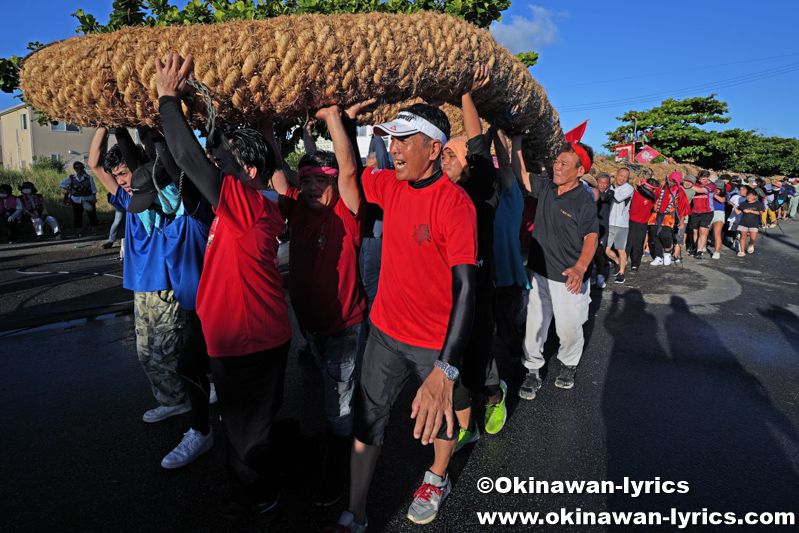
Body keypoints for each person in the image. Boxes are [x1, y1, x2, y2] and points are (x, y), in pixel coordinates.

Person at [329, 101, 477, 532]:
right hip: (384, 332)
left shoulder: (455, 204)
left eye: (403, 141)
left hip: (435, 342)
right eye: (391, 140)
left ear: (434, 149)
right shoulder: (392, 186)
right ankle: (354, 511)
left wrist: (446, 370)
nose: (393, 149)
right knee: (366, 415)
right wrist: (338, 120)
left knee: (440, 418)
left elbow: (467, 288)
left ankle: (436, 477)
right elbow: (352, 176)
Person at [156, 52, 291, 522]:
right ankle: (253, 478)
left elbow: (191, 158)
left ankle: (256, 500)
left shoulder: (248, 205)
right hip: (239, 338)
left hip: (249, 343)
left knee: (246, 433)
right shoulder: (244, 202)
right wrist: (196, 111)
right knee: (239, 419)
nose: (216, 163)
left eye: (225, 161)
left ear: (247, 172)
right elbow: (200, 156)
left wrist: (168, 100)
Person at [264, 103, 368, 507]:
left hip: (344, 326)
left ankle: (340, 471)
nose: (310, 188)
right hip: (312, 325)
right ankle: (339, 435)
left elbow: (347, 169)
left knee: (337, 405)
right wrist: (266, 124)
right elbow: (276, 170)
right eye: (304, 180)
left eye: (318, 182)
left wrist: (331, 118)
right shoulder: (296, 207)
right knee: (333, 392)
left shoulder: (345, 208)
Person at [120, 124, 217, 470]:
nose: (150, 207)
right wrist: (124, 124)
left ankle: (207, 429)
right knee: (193, 365)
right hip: (191, 305)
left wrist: (159, 129)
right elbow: (138, 165)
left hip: (213, 307)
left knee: (194, 365)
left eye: (154, 198)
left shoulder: (191, 210)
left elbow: (175, 171)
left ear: (168, 192)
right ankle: (205, 420)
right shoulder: (161, 212)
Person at [440, 66, 506, 452]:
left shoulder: (482, 189)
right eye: (444, 152)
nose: (446, 159)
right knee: (452, 362)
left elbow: (478, 145)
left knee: (480, 362)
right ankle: (468, 427)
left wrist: (466, 94)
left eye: (453, 154)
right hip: (445, 290)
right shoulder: (438, 191)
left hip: (480, 289)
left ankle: (496, 396)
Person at [511, 136, 599, 398]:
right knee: (534, 324)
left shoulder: (583, 200)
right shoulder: (547, 187)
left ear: (580, 170)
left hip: (568, 279)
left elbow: (591, 237)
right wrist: (516, 142)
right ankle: (533, 370)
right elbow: (521, 174)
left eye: (564, 163)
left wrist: (581, 267)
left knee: (568, 328)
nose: (557, 167)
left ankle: (568, 363)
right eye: (556, 162)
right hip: (539, 274)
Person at [647, 172, 691, 266]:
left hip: (668, 217)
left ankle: (667, 253)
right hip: (655, 215)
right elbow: (652, 197)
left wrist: (682, 221)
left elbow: (683, 207)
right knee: (654, 235)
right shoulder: (661, 188)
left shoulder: (680, 191)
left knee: (666, 236)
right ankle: (658, 257)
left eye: (674, 181)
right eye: (670, 180)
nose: (671, 182)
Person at [605, 168, 634, 283]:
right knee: (606, 250)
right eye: (621, 175)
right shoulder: (610, 187)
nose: (622, 178)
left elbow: (618, 198)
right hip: (610, 222)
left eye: (625, 177)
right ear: (616, 175)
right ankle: (617, 261)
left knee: (621, 250)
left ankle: (622, 272)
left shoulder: (629, 188)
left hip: (622, 224)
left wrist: (610, 186)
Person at [60, 161, 99, 237]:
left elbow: (93, 189)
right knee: (77, 215)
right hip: (76, 199)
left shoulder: (89, 178)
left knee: (92, 214)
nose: (79, 169)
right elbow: (62, 184)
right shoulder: (72, 178)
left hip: (88, 198)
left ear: (83, 168)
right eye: (77, 168)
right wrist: (70, 192)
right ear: (75, 169)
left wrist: (94, 198)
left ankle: (94, 229)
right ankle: (79, 230)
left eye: (81, 167)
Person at [626, 176, 656, 272]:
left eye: (652, 189)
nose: (650, 190)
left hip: (642, 223)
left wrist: (640, 186)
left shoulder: (652, 197)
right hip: (630, 221)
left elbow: (648, 193)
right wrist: (639, 187)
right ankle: (623, 261)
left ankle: (635, 264)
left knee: (638, 245)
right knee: (627, 243)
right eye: (649, 188)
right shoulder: (634, 192)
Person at [687, 170, 717, 260]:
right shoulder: (696, 184)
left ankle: (700, 251)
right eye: (700, 179)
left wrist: (690, 186)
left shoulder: (711, 185)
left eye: (704, 179)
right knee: (695, 232)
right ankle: (696, 247)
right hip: (695, 211)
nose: (701, 181)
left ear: (709, 178)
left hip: (707, 211)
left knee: (702, 231)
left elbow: (701, 191)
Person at [593, 172, 614, 289]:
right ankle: (590, 276)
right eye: (600, 182)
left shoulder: (610, 193)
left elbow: (603, 197)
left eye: (605, 183)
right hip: (591, 226)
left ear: (609, 184)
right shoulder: (592, 190)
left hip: (603, 228)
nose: (602, 185)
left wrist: (592, 190)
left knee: (598, 253)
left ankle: (600, 276)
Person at [734, 187, 764, 256]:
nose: (749, 197)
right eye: (748, 195)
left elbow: (760, 213)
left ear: (755, 196)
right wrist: (733, 206)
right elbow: (738, 212)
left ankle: (750, 245)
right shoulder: (743, 204)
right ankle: (742, 251)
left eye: (751, 195)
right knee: (743, 236)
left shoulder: (758, 204)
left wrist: (750, 211)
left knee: (753, 239)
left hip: (754, 223)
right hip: (743, 222)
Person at [709, 175, 728, 259]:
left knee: (717, 233)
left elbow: (722, 200)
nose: (717, 190)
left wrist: (713, 194)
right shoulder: (710, 192)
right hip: (709, 211)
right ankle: (701, 247)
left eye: (718, 189)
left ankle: (717, 252)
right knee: (704, 231)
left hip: (719, 213)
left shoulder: (725, 194)